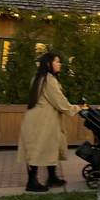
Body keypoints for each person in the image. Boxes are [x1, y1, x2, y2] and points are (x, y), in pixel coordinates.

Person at [16, 52, 83, 192]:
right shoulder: (48, 80)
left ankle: (52, 177)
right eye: (57, 61)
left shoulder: (37, 78)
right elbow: (60, 102)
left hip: (38, 120)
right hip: (42, 122)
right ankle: (32, 182)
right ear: (48, 64)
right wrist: (76, 109)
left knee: (49, 148)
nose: (60, 64)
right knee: (38, 150)